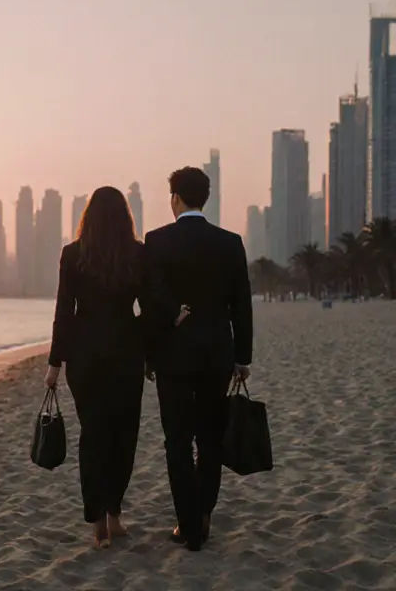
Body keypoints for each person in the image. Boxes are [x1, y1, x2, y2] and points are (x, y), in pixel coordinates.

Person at [43, 186, 184, 549]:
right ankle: (115, 515)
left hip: (84, 355)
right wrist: (158, 331)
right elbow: (153, 307)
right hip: (125, 352)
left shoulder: (73, 255)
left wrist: (55, 363)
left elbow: (64, 311)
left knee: (93, 435)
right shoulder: (138, 254)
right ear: (126, 217)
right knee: (123, 436)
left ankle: (98, 525)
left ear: (87, 217)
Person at [143, 166, 253, 551]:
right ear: (204, 198)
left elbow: (151, 301)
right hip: (217, 354)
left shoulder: (155, 241)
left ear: (175, 198)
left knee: (177, 439)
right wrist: (244, 356)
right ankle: (204, 513)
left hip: (172, 356)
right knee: (209, 438)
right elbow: (242, 305)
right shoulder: (230, 242)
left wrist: (149, 353)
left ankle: (187, 524)